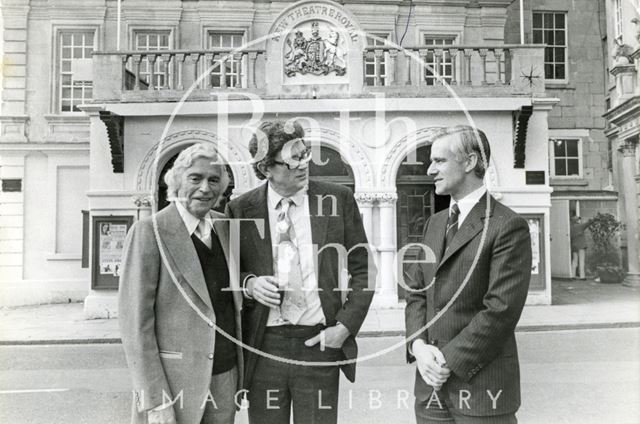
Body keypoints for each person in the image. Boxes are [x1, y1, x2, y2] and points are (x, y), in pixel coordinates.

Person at [226, 120, 375, 424]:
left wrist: (345, 327)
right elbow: (228, 272)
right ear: (266, 168)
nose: (303, 164)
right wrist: (249, 284)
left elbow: (365, 269)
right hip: (264, 346)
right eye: (292, 160)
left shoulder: (337, 199)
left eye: (304, 154)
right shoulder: (241, 209)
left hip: (319, 343)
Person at [405, 125, 532, 423]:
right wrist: (418, 346)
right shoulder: (434, 224)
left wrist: (446, 361)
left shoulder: (507, 226)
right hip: (430, 391)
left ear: (470, 162)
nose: (429, 170)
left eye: (439, 161)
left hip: (482, 391)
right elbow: (416, 293)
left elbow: (500, 311)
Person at [118, 143, 243, 424]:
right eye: (195, 178)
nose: (205, 188)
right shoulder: (149, 232)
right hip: (173, 384)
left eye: (213, 180)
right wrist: (154, 399)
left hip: (225, 378)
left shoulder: (226, 229)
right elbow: (135, 325)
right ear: (176, 183)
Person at [570, 215, 594, 280]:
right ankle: (582, 276)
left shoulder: (570, 227)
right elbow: (588, 223)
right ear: (577, 220)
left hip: (574, 245)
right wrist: (592, 219)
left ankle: (573, 275)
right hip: (581, 246)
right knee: (581, 261)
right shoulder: (580, 226)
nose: (579, 220)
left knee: (574, 260)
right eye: (578, 219)